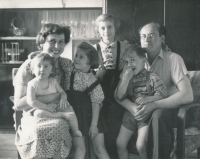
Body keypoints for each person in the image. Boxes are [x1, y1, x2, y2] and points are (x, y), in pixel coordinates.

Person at [117, 22, 193, 159]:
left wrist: (155, 104)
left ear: (162, 39)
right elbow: (118, 94)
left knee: (158, 115)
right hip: (139, 110)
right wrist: (133, 108)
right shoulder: (132, 61)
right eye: (143, 36)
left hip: (170, 109)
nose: (146, 39)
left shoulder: (173, 59)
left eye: (151, 35)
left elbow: (187, 95)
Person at [14, 23, 74, 159]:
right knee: (38, 131)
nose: (57, 47)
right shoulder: (29, 66)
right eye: (52, 41)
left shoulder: (65, 65)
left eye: (61, 42)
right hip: (34, 114)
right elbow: (18, 105)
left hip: (56, 112)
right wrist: (52, 96)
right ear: (42, 42)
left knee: (61, 126)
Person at [115, 44, 168, 159]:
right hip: (129, 115)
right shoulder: (127, 77)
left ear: (143, 60)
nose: (129, 65)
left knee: (140, 145)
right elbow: (119, 96)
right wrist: (125, 80)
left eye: (133, 60)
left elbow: (163, 94)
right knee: (120, 143)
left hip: (145, 116)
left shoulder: (152, 77)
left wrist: (148, 99)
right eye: (126, 62)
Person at [93, 13, 130, 157]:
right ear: (98, 31)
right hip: (99, 101)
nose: (106, 31)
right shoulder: (92, 49)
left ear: (115, 29)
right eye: (102, 28)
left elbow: (140, 55)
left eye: (109, 27)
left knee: (116, 137)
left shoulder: (125, 46)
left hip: (119, 99)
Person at [64, 42, 107, 159]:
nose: (76, 59)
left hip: (93, 117)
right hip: (76, 118)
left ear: (90, 61)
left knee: (100, 148)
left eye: (81, 57)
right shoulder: (69, 69)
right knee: (79, 148)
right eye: (76, 55)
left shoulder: (91, 80)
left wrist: (94, 125)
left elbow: (96, 103)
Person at [27, 53, 82, 137]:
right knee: (38, 114)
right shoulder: (32, 84)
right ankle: (61, 115)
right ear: (33, 69)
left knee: (70, 109)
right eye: (38, 66)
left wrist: (63, 98)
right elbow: (31, 101)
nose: (42, 69)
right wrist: (46, 107)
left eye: (46, 66)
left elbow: (62, 92)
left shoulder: (53, 81)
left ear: (51, 69)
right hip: (42, 108)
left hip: (55, 106)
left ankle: (75, 130)